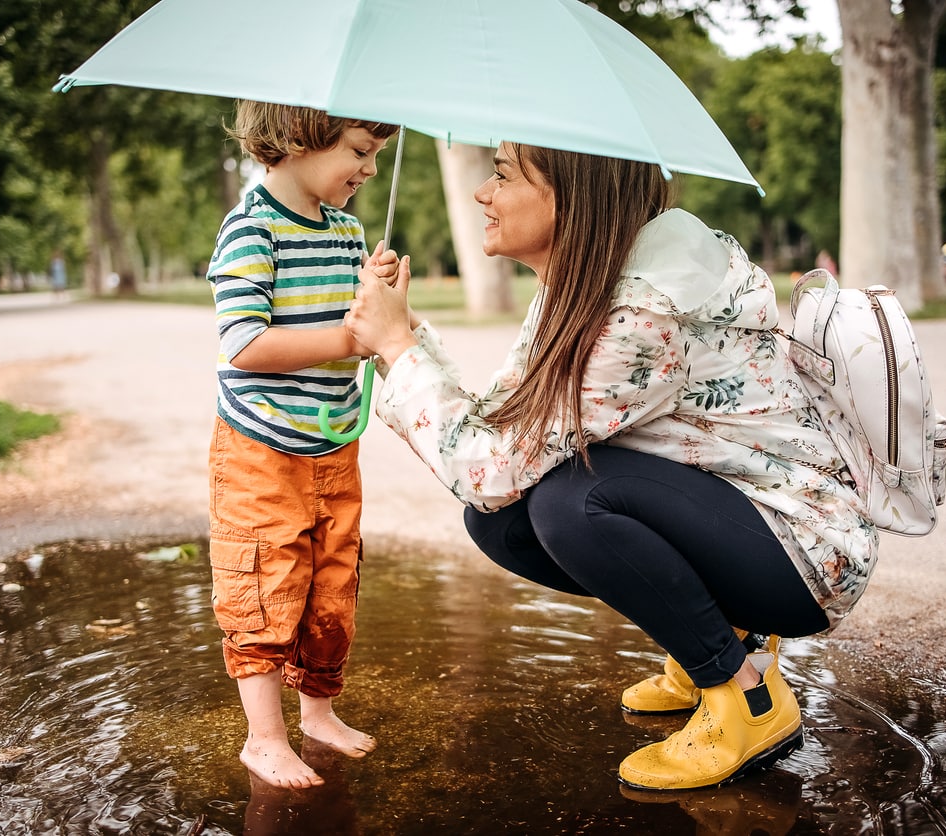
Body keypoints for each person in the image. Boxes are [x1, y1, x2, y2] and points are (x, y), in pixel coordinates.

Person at [344, 142, 879, 791]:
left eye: (503, 175)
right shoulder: (584, 283)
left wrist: (399, 349)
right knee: (505, 522)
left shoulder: (641, 313)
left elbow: (485, 467)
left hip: (803, 553)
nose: (483, 193)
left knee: (570, 504)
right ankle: (714, 640)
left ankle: (744, 697)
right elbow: (504, 433)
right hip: (741, 518)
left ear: (572, 193)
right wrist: (407, 337)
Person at [205, 100, 399, 790]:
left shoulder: (347, 231)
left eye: (377, 155)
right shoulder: (251, 229)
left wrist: (379, 305)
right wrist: (350, 339)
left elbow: (363, 324)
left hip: (331, 441)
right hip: (261, 443)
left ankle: (318, 713)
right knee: (265, 576)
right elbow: (245, 344)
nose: (369, 169)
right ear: (294, 139)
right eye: (357, 150)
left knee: (332, 581)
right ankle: (263, 738)